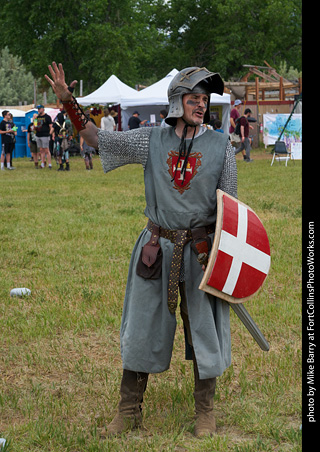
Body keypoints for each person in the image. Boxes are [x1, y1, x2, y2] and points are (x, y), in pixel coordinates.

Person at [45, 63, 237, 439]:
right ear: (177, 102)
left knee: (204, 331)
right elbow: (97, 139)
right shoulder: (151, 139)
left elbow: (230, 208)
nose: (201, 105)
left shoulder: (221, 146)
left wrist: (225, 255)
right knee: (143, 327)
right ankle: (129, 410)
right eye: (194, 98)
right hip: (156, 247)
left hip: (201, 251)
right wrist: (69, 102)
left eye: (204, 99)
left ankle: (206, 413)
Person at [35, 105, 53, 169]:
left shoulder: (47, 117)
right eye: (38, 109)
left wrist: (50, 134)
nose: (38, 110)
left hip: (45, 135)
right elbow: (35, 126)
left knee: (46, 150)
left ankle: (49, 164)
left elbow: (51, 126)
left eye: (40, 109)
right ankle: (42, 163)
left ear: (43, 109)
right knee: (41, 150)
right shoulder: (37, 117)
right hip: (38, 135)